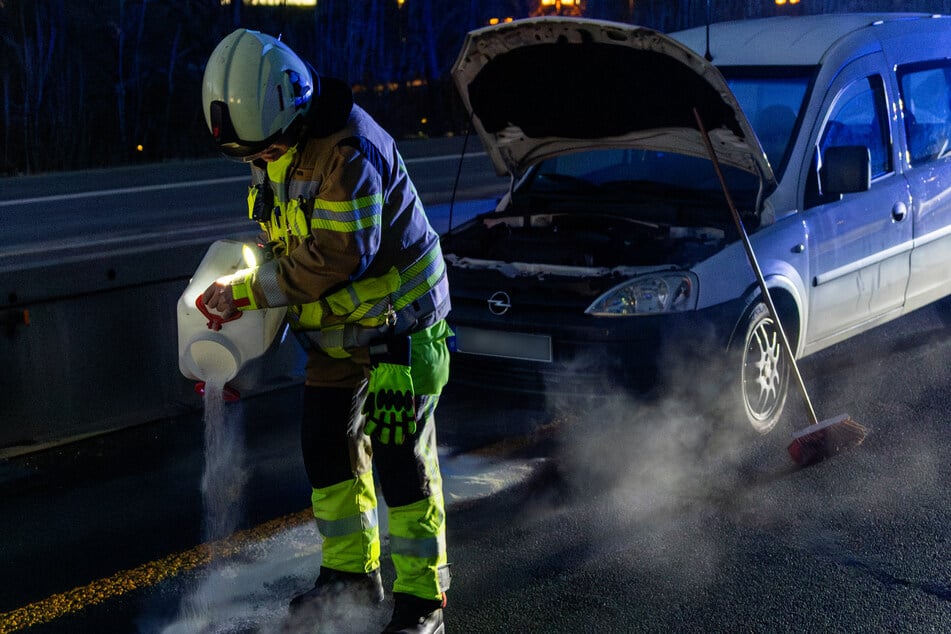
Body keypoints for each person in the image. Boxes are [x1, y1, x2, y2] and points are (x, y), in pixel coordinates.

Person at [199, 28, 452, 634]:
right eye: (249, 157)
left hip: (400, 333)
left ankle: (423, 602)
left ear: (293, 110)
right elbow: (284, 242)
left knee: (399, 461)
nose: (259, 164)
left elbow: (337, 257)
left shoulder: (350, 153)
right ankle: (350, 579)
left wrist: (244, 294)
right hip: (339, 339)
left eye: (264, 151)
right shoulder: (272, 147)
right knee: (325, 447)